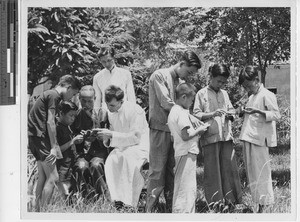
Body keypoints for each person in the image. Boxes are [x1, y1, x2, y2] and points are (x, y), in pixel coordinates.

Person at [147, 50, 202, 212]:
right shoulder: (159, 75)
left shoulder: (180, 82)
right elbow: (166, 103)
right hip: (159, 129)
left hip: (175, 132)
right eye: (189, 71)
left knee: (173, 170)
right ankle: (150, 210)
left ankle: (173, 208)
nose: (189, 76)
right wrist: (190, 118)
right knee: (157, 171)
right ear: (182, 63)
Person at [28, 75, 81, 211]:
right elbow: (50, 121)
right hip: (41, 139)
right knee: (53, 177)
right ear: (68, 87)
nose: (71, 97)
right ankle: (44, 212)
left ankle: (37, 211)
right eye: (73, 94)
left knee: (43, 176)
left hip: (34, 138)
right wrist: (53, 146)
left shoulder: (48, 94)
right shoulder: (54, 96)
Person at [193, 64, 242, 209]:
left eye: (223, 82)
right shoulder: (201, 94)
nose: (221, 84)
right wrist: (212, 114)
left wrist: (229, 115)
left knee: (229, 168)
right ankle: (216, 203)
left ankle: (232, 201)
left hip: (226, 136)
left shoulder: (224, 93)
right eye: (218, 81)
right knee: (212, 171)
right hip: (210, 137)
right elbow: (196, 115)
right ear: (211, 77)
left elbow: (231, 110)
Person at [96, 85, 149, 209]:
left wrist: (111, 134)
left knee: (127, 160)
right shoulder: (110, 111)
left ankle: (130, 202)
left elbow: (136, 137)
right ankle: (117, 200)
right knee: (112, 160)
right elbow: (114, 133)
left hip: (139, 146)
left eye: (113, 106)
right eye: (108, 105)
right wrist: (106, 138)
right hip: (122, 146)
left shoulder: (135, 110)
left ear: (122, 101)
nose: (109, 108)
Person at [238, 65, 281, 213]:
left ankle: (265, 205)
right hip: (250, 137)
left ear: (257, 80)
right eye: (245, 87)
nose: (248, 89)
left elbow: (276, 115)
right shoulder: (252, 96)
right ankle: (258, 205)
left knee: (262, 173)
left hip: (260, 140)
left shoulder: (267, 94)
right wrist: (242, 112)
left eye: (249, 85)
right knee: (253, 173)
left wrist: (259, 111)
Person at [167, 83, 209, 213]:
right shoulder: (181, 113)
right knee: (186, 187)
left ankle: (182, 212)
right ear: (184, 97)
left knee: (182, 185)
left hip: (181, 152)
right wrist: (200, 130)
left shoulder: (174, 111)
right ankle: (184, 213)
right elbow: (186, 135)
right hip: (186, 152)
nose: (192, 103)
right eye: (191, 100)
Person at [70, 85, 111, 200]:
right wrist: (78, 138)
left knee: (96, 165)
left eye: (90, 101)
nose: (87, 104)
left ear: (95, 98)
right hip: (82, 153)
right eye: (83, 101)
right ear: (79, 98)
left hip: (98, 152)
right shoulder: (76, 115)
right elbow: (70, 135)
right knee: (81, 166)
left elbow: (110, 136)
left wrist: (98, 137)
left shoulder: (103, 113)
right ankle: (82, 198)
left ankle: (102, 198)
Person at [93, 46, 136, 113]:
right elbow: (97, 100)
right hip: (106, 113)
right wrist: (96, 115)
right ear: (100, 61)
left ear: (114, 57)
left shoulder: (126, 74)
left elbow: (131, 96)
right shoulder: (97, 77)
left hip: (124, 112)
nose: (107, 64)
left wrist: (133, 112)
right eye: (103, 62)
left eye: (109, 60)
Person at [56, 101, 83, 199]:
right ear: (61, 113)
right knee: (64, 193)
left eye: (74, 116)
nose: (73, 119)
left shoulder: (67, 126)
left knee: (70, 192)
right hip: (62, 167)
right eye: (70, 115)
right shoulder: (57, 128)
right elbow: (56, 151)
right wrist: (72, 142)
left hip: (69, 165)